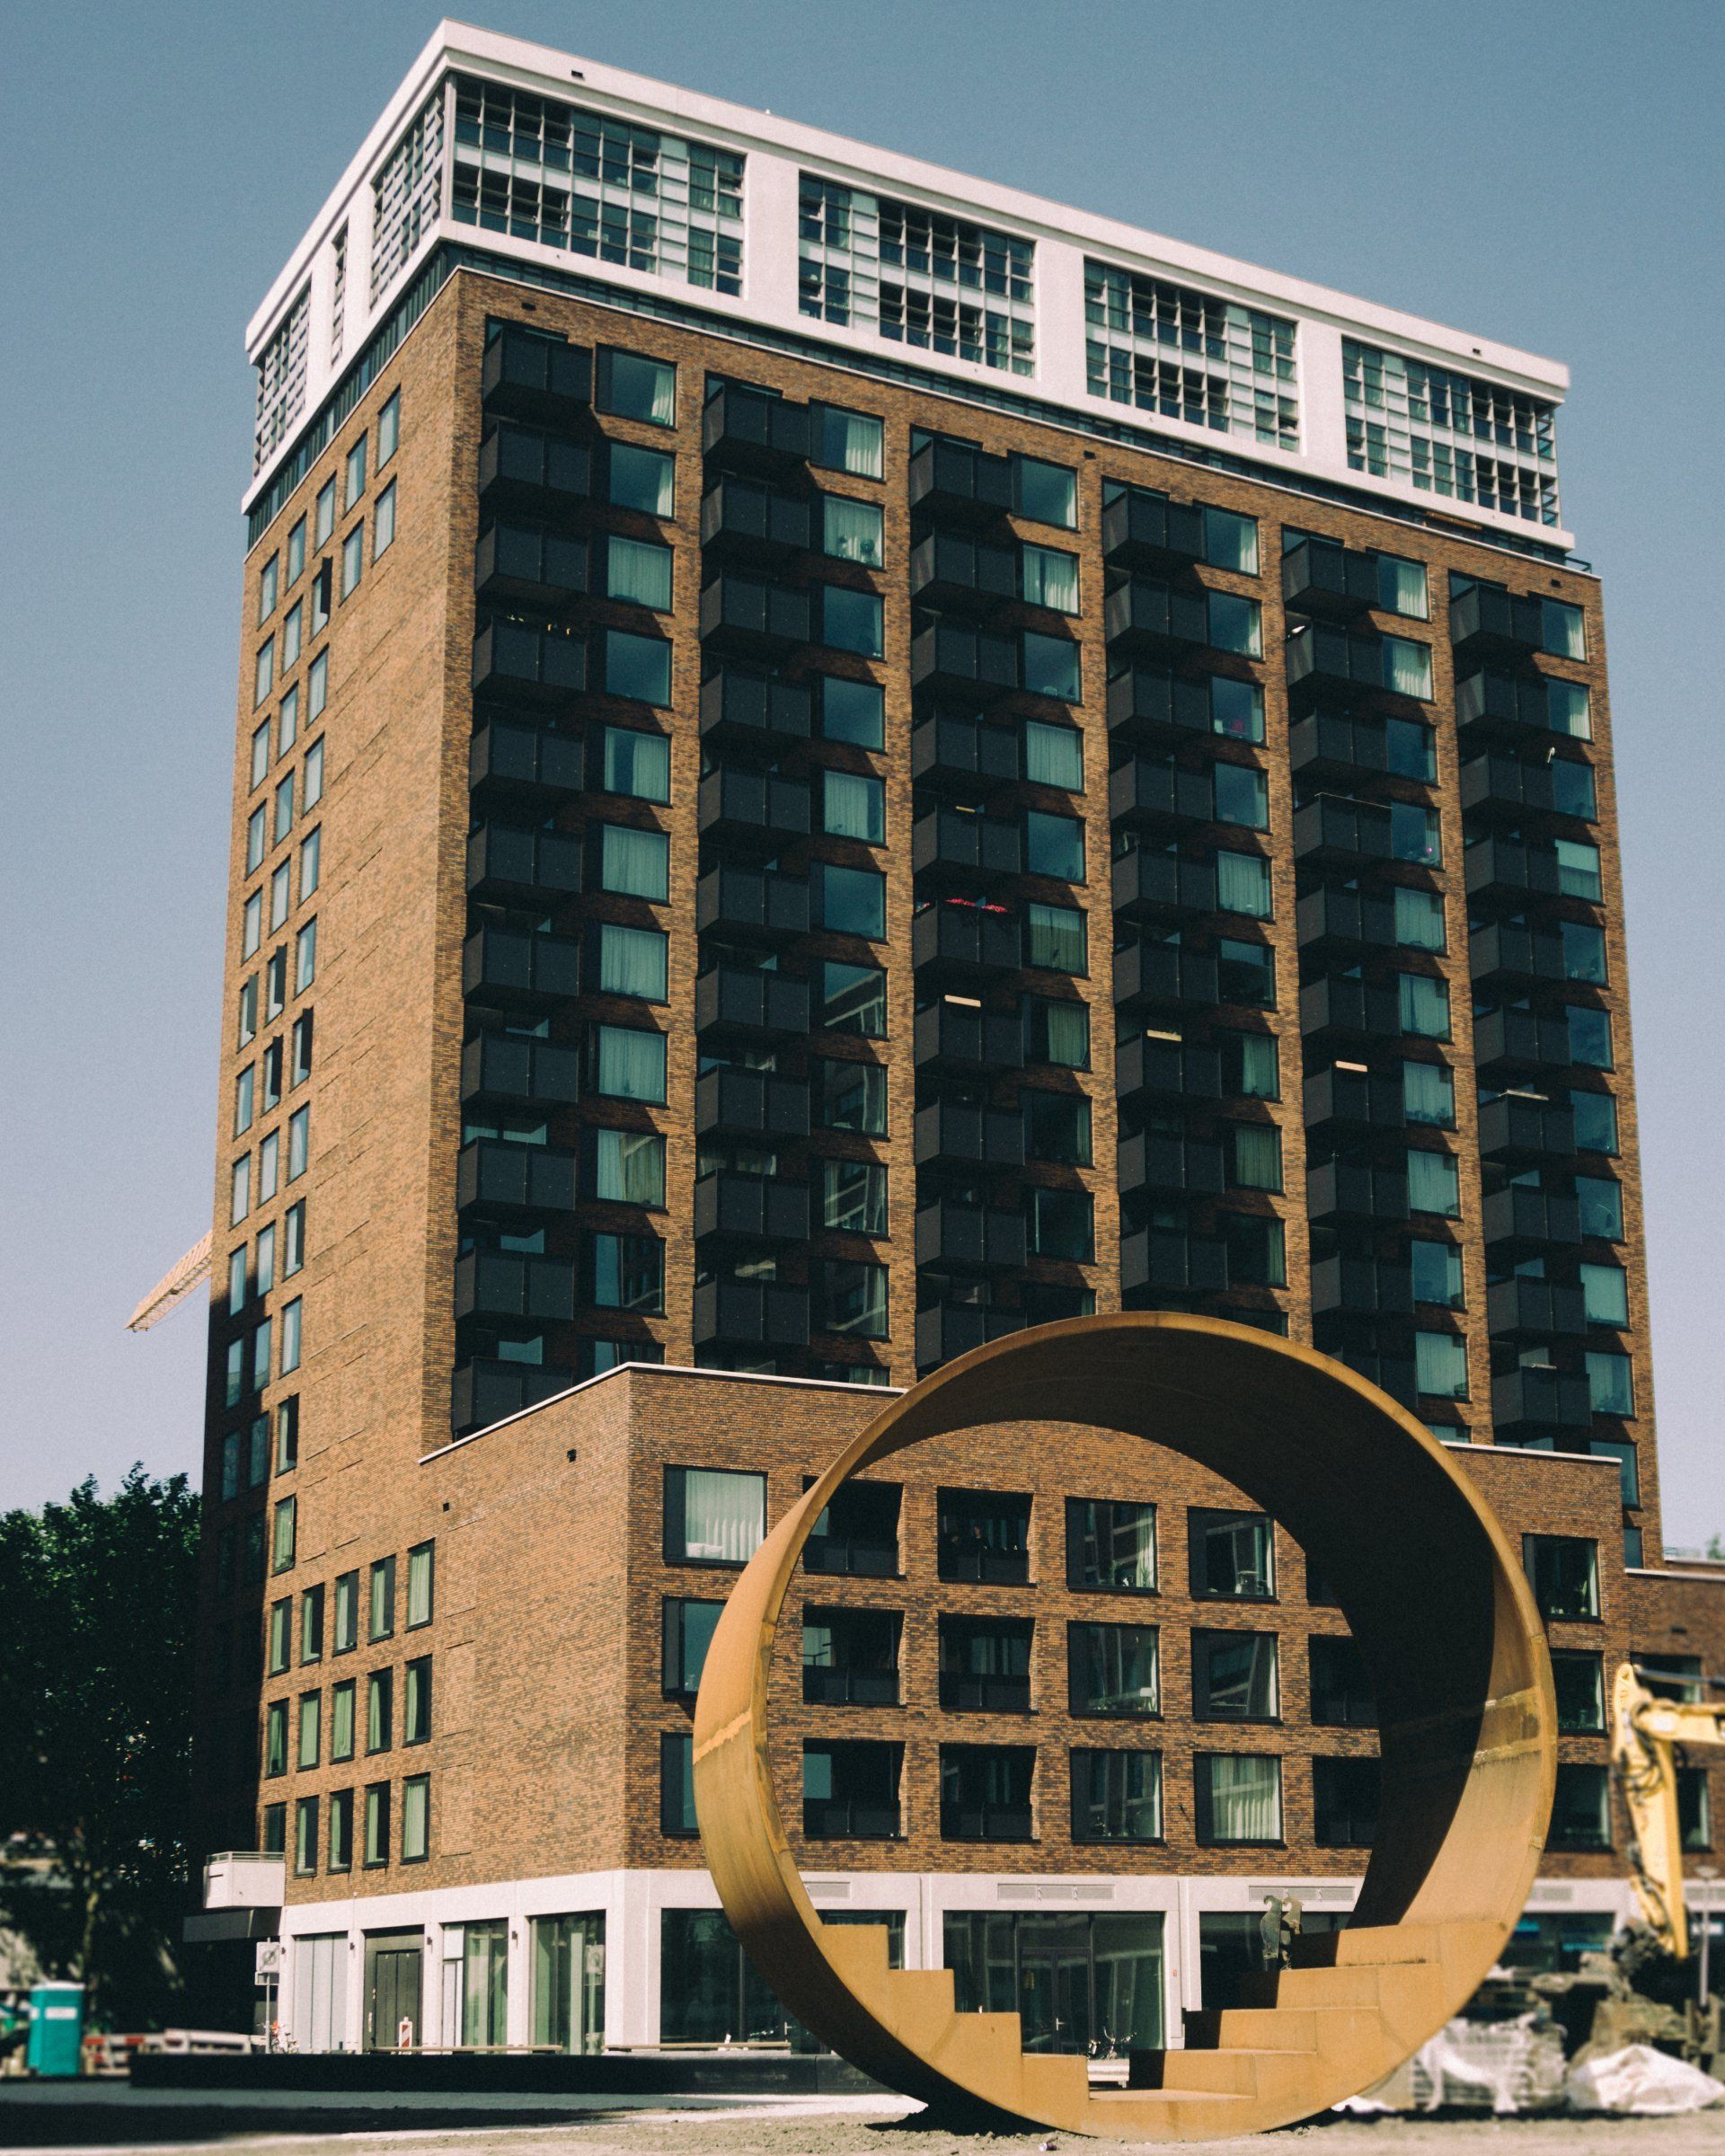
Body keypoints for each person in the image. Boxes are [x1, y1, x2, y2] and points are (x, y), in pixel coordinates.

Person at [1259, 1895, 1285, 1968]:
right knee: (1270, 1966)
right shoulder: (1265, 1920)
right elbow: (1266, 1939)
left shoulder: (1282, 1922)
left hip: (1278, 1953)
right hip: (1272, 1950)